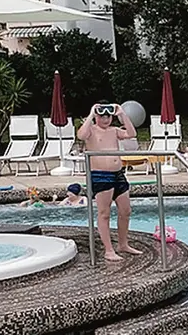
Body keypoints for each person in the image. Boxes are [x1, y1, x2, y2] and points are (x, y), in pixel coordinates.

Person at [77, 102, 141, 261]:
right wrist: (91, 114)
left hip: (118, 174)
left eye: (108, 116)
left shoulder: (114, 131)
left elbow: (132, 134)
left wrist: (122, 114)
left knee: (126, 211)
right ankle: (108, 250)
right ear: (97, 117)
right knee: (104, 213)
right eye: (102, 116)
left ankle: (123, 244)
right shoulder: (91, 130)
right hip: (100, 175)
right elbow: (81, 135)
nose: (105, 120)